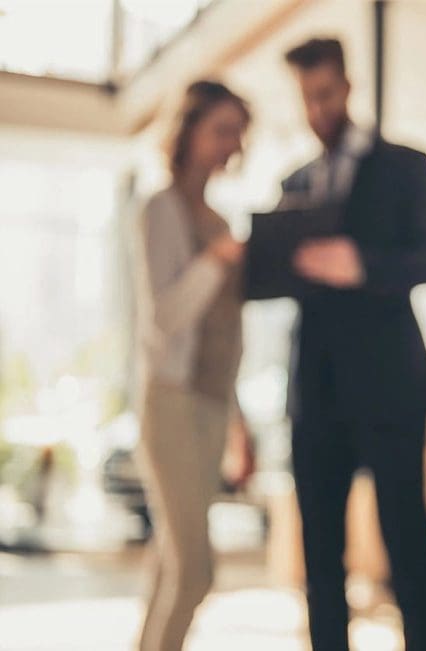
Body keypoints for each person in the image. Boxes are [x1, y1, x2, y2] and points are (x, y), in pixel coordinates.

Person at [278, 38, 426, 651]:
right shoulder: (293, 181)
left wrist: (361, 265)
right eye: (306, 99)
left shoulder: (407, 164)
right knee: (321, 561)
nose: (317, 110)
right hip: (315, 397)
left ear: (347, 88)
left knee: (407, 550)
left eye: (325, 94)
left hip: (390, 391)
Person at [132, 80, 253, 651]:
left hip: (210, 403)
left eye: (237, 132)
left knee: (170, 566)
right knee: (196, 571)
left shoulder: (220, 220)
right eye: (221, 130)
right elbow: (166, 316)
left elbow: (224, 336)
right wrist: (214, 260)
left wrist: (238, 421)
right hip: (172, 403)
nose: (231, 143)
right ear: (189, 132)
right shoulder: (161, 209)